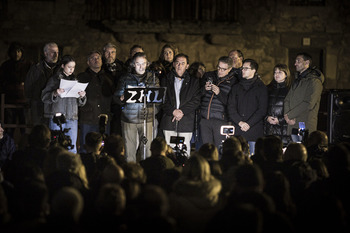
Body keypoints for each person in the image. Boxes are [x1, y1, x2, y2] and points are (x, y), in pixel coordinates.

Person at [114, 52, 160, 162]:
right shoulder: (125, 78)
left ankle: (146, 174)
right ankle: (131, 174)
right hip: (129, 119)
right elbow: (116, 97)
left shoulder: (153, 78)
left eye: (143, 64)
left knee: (147, 150)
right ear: (133, 64)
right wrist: (122, 98)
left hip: (147, 119)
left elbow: (158, 99)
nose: (141, 67)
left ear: (147, 64)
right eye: (138, 64)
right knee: (129, 151)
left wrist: (153, 111)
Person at [41, 55, 87, 153]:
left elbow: (80, 103)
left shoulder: (75, 80)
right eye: (69, 67)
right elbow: (44, 96)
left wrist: (82, 96)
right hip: (57, 117)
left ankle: (72, 167)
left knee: (72, 147)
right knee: (56, 146)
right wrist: (55, 93)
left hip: (72, 117)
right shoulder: (54, 80)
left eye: (73, 67)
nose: (71, 70)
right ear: (62, 66)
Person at [160, 53, 201, 155]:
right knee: (169, 150)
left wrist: (181, 112)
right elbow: (162, 99)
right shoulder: (165, 80)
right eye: (177, 63)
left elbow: (196, 100)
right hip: (169, 121)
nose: (179, 66)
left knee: (184, 150)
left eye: (182, 63)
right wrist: (173, 111)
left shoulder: (194, 82)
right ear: (173, 64)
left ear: (187, 66)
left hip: (186, 121)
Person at [227, 59, 268, 155]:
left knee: (253, 159)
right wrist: (240, 122)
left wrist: (248, 124)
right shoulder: (236, 87)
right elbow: (231, 107)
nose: (243, 70)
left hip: (254, 130)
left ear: (254, 70)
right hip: (238, 130)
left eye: (246, 68)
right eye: (242, 68)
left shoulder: (261, 88)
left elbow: (262, 109)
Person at [77, 51, 115, 152]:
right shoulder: (81, 78)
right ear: (88, 62)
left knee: (103, 148)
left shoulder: (109, 78)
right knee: (85, 147)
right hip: (87, 118)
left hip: (104, 118)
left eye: (98, 58)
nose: (96, 60)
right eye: (93, 58)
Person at [284, 52, 324, 142]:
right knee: (293, 152)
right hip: (292, 123)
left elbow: (309, 103)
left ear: (307, 62)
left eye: (298, 61)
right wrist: (287, 116)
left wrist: (290, 115)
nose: (295, 64)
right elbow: (287, 99)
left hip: (304, 124)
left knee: (304, 152)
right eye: (295, 61)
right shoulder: (297, 80)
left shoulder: (314, 81)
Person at [200, 56, 237, 153]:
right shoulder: (209, 75)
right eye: (218, 67)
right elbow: (197, 95)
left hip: (221, 121)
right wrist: (204, 89)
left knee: (219, 150)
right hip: (205, 119)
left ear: (229, 69)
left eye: (223, 69)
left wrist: (219, 93)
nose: (220, 71)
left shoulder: (234, 81)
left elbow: (232, 103)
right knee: (206, 150)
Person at [0, 42, 33, 137]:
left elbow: (33, 81)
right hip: (9, 100)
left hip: (24, 100)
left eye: (19, 51)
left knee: (25, 126)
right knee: (9, 127)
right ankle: (8, 148)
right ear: (10, 53)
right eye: (14, 51)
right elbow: (1, 81)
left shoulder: (28, 65)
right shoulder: (6, 66)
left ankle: (25, 148)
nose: (16, 54)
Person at [25, 42, 60, 126]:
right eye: (52, 52)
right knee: (40, 132)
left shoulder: (61, 69)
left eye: (57, 52)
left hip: (56, 106)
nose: (55, 55)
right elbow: (28, 88)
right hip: (38, 106)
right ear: (45, 53)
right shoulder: (36, 69)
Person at [102, 43, 126, 137]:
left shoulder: (122, 68)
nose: (110, 55)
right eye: (107, 52)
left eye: (112, 52)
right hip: (104, 103)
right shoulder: (99, 67)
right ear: (103, 53)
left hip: (117, 106)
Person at [264, 64, 291, 146]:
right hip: (268, 127)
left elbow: (292, 110)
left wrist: (280, 119)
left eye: (280, 72)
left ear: (286, 74)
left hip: (283, 128)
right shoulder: (267, 89)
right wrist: (266, 118)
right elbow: (262, 107)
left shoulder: (290, 90)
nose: (277, 74)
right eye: (275, 72)